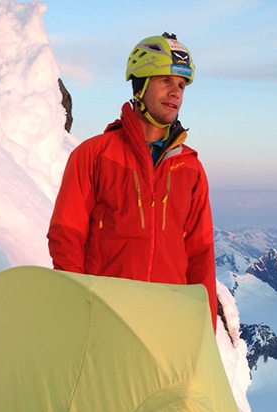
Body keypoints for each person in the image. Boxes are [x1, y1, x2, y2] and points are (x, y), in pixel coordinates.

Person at [47, 32, 217, 331]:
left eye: (181, 85)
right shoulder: (95, 155)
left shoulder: (190, 168)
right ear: (140, 85)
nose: (176, 92)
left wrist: (204, 331)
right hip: (105, 318)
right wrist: (78, 304)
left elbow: (200, 254)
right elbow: (66, 235)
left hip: (166, 323)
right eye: (165, 80)